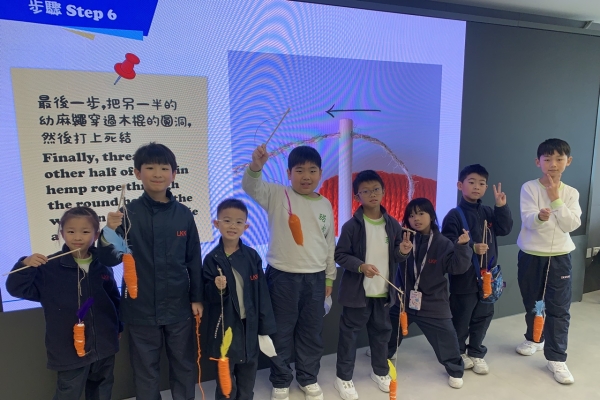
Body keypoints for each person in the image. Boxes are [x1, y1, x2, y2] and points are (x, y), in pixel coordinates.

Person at [99, 142, 203, 400]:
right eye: (150, 168)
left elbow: (194, 260)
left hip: (178, 305)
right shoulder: (126, 214)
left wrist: (197, 297)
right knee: (145, 370)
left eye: (164, 168)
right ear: (138, 173)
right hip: (140, 307)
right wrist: (109, 230)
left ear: (174, 174)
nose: (157, 173)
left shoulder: (184, 215)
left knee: (183, 365)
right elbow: (109, 259)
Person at [242, 144, 336, 400]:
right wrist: (256, 166)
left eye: (312, 170)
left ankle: (308, 378)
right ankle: (281, 380)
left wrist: (329, 276)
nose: (306, 176)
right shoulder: (277, 194)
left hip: (316, 278)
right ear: (288, 173)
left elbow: (329, 243)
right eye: (299, 170)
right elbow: (250, 186)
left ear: (320, 174)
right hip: (282, 277)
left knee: (311, 332)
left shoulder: (325, 203)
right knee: (281, 332)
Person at [6, 207, 121, 400]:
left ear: (95, 235)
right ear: (61, 233)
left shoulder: (102, 263)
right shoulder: (49, 267)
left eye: (85, 231)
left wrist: (118, 326)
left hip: (104, 344)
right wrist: (24, 265)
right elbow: (17, 289)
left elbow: (113, 297)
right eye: (71, 231)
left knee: (102, 388)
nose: (78, 237)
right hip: (68, 349)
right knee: (69, 391)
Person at [333, 170, 408, 400]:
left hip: (383, 293)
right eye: (365, 191)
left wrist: (403, 251)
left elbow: (396, 256)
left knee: (382, 334)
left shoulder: (393, 224)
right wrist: (360, 266)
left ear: (383, 192)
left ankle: (380, 371)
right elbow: (340, 255)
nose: (372, 194)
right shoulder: (351, 226)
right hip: (357, 293)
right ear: (357, 196)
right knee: (349, 336)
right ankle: (343, 378)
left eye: (376, 189)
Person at [388, 198, 472, 389]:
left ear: (432, 216)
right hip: (403, 299)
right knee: (389, 330)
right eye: (411, 215)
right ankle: (385, 353)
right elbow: (394, 258)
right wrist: (402, 251)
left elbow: (457, 268)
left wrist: (462, 247)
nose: (416, 219)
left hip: (433, 302)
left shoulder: (442, 243)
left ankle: (455, 369)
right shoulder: (404, 238)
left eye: (421, 214)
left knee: (447, 338)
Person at [516, 138, 581, 384]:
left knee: (559, 308)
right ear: (538, 162)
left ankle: (557, 358)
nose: (553, 164)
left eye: (559, 159)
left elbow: (570, 225)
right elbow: (527, 220)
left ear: (568, 161)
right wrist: (540, 217)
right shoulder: (529, 188)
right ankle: (535, 338)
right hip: (531, 254)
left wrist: (555, 199)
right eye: (547, 159)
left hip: (560, 257)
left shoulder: (571, 193)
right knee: (532, 301)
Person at [441, 164, 513, 374]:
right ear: (459, 185)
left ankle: (476, 352)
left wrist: (501, 207)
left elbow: (505, 229)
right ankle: (459, 352)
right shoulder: (454, 215)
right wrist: (471, 246)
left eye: (481, 183)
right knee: (461, 317)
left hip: (488, 278)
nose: (476, 187)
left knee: (483, 315)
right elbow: (446, 242)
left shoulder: (488, 212)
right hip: (464, 277)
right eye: (471, 182)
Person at [202, 198, 277, 400]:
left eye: (238, 222)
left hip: (249, 325)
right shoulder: (211, 259)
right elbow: (208, 296)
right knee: (225, 378)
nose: (232, 226)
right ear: (216, 223)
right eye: (227, 220)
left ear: (246, 227)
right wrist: (218, 288)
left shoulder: (252, 256)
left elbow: (262, 294)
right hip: (225, 326)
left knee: (248, 373)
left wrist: (265, 327)